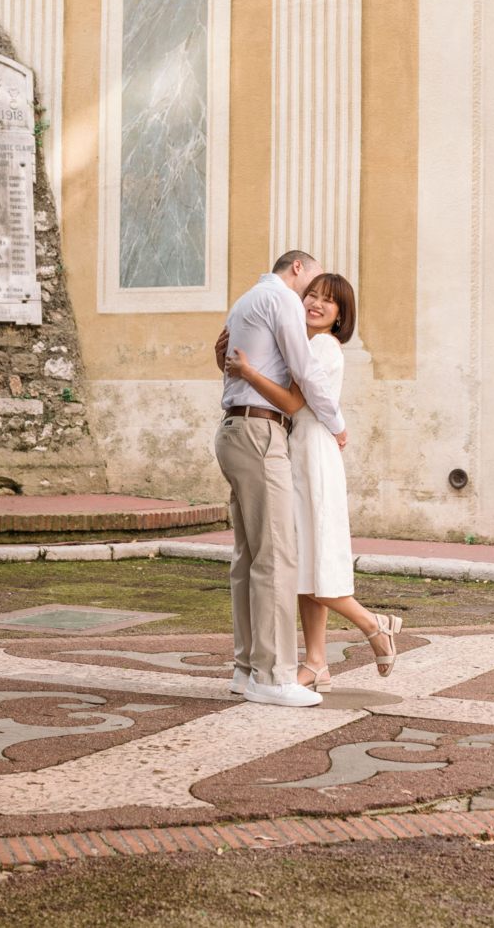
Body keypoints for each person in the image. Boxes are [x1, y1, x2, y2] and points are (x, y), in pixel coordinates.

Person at [220, 273, 401, 691]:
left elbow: (292, 402)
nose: (316, 303)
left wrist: (246, 371)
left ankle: (375, 624)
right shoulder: (298, 344)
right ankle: (316, 662)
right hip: (295, 448)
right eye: (312, 295)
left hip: (310, 455)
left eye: (329, 301)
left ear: (341, 316)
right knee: (303, 559)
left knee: (307, 560)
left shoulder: (320, 345)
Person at [214, 250, 345, 708]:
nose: (310, 295)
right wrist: (339, 423)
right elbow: (304, 373)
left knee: (249, 557)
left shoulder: (244, 301)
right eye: (311, 283)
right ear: (297, 269)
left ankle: (246, 668)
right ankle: (272, 677)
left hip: (233, 429)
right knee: (277, 557)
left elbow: (235, 359)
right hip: (259, 430)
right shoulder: (282, 300)